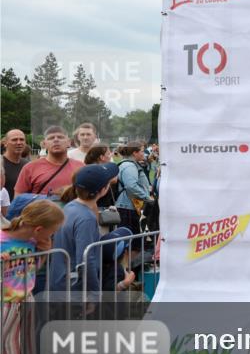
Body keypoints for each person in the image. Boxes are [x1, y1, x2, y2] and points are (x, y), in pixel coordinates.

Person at [2, 199, 65, 354]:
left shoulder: (33, 241)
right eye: (53, 231)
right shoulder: (3, 239)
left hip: (25, 300)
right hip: (6, 305)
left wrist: (43, 254)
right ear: (39, 229)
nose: (54, 235)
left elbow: (29, 272)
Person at [49, 164, 132, 299]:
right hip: (75, 290)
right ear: (104, 189)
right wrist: (94, 293)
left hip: (61, 283)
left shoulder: (70, 207)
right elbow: (86, 259)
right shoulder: (86, 218)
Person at [14, 126, 84, 197]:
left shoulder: (81, 167)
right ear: (44, 144)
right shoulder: (30, 168)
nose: (56, 140)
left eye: (60, 137)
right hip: (40, 208)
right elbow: (18, 200)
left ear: (69, 142)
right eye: (51, 138)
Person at [115, 143, 154, 237]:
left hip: (131, 206)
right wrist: (147, 198)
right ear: (134, 153)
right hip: (128, 207)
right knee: (132, 243)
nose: (144, 154)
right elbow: (131, 186)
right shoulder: (129, 166)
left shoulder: (131, 164)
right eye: (142, 151)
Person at [2, 129, 29, 195]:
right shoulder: (1, 164)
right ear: (5, 143)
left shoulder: (28, 165)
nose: (19, 143)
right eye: (14, 140)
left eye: (22, 140)